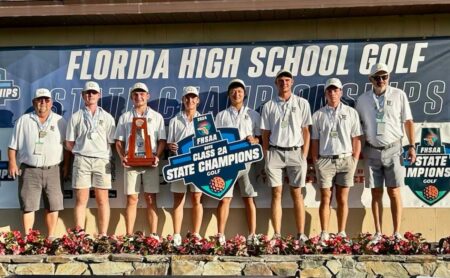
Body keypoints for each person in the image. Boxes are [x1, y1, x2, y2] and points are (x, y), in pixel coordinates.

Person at [355, 63, 416, 243]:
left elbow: (408, 121)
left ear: (388, 77)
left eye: (384, 76)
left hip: (394, 149)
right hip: (371, 150)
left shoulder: (399, 95)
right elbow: (358, 127)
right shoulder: (362, 100)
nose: (381, 80)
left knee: (394, 192)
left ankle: (397, 232)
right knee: (375, 193)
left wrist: (412, 146)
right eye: (377, 77)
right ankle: (378, 232)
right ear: (370, 80)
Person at [8, 88, 67, 239]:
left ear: (51, 102)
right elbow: (12, 146)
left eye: (46, 100)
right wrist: (13, 164)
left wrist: (66, 166)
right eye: (40, 100)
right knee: (29, 206)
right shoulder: (24, 120)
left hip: (53, 169)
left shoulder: (60, 121)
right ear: (34, 102)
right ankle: (28, 238)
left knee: (53, 205)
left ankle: (51, 237)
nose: (43, 103)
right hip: (29, 170)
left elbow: (67, 147)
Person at [260, 69, 312, 241]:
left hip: (296, 152)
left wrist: (304, 155)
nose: (284, 83)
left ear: (292, 82)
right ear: (276, 83)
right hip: (275, 152)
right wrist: (267, 155)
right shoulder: (268, 106)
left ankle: (301, 234)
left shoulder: (302, 103)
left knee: (297, 193)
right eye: (281, 80)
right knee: (277, 193)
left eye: (287, 80)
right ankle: (277, 234)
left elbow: (306, 131)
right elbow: (265, 133)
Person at [311, 78, 362, 243]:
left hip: (346, 159)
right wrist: (315, 160)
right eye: (329, 90)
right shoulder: (318, 115)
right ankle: (324, 232)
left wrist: (354, 159)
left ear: (341, 92)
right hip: (325, 160)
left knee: (342, 198)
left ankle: (341, 232)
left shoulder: (351, 112)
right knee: (325, 197)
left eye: (336, 90)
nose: (333, 93)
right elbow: (315, 141)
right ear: (325, 93)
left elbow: (356, 138)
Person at [114, 82, 166, 237]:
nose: (139, 97)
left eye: (142, 93)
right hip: (131, 163)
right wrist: (123, 157)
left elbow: (162, 141)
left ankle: (154, 235)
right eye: (135, 94)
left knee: (151, 199)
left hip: (150, 162)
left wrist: (157, 156)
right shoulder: (125, 117)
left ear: (148, 96)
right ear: (131, 97)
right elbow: (118, 142)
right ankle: (129, 235)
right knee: (132, 198)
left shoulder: (156, 117)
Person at [65, 81, 116, 236]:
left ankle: (103, 234)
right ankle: (80, 233)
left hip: (102, 160)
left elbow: (111, 142)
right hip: (82, 160)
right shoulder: (75, 117)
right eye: (87, 92)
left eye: (93, 92)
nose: (90, 95)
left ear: (99, 95)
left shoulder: (107, 117)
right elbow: (69, 143)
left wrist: (100, 153)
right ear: (82, 95)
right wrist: (80, 152)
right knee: (81, 199)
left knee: (103, 200)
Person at [215, 79, 261, 244]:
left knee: (249, 198)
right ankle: (220, 235)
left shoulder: (253, 114)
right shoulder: (221, 115)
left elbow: (260, 138)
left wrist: (254, 139)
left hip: (248, 161)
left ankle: (252, 235)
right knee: (224, 198)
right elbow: (216, 140)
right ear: (229, 95)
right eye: (233, 91)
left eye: (240, 91)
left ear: (244, 94)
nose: (236, 94)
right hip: (227, 162)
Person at [167, 86, 203, 246]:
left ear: (198, 100)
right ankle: (176, 234)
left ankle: (196, 234)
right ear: (183, 100)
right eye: (187, 98)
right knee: (178, 199)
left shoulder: (204, 120)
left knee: (197, 198)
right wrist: (171, 147)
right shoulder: (175, 120)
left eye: (193, 97)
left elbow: (208, 143)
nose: (190, 100)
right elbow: (169, 143)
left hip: (198, 165)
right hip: (180, 164)